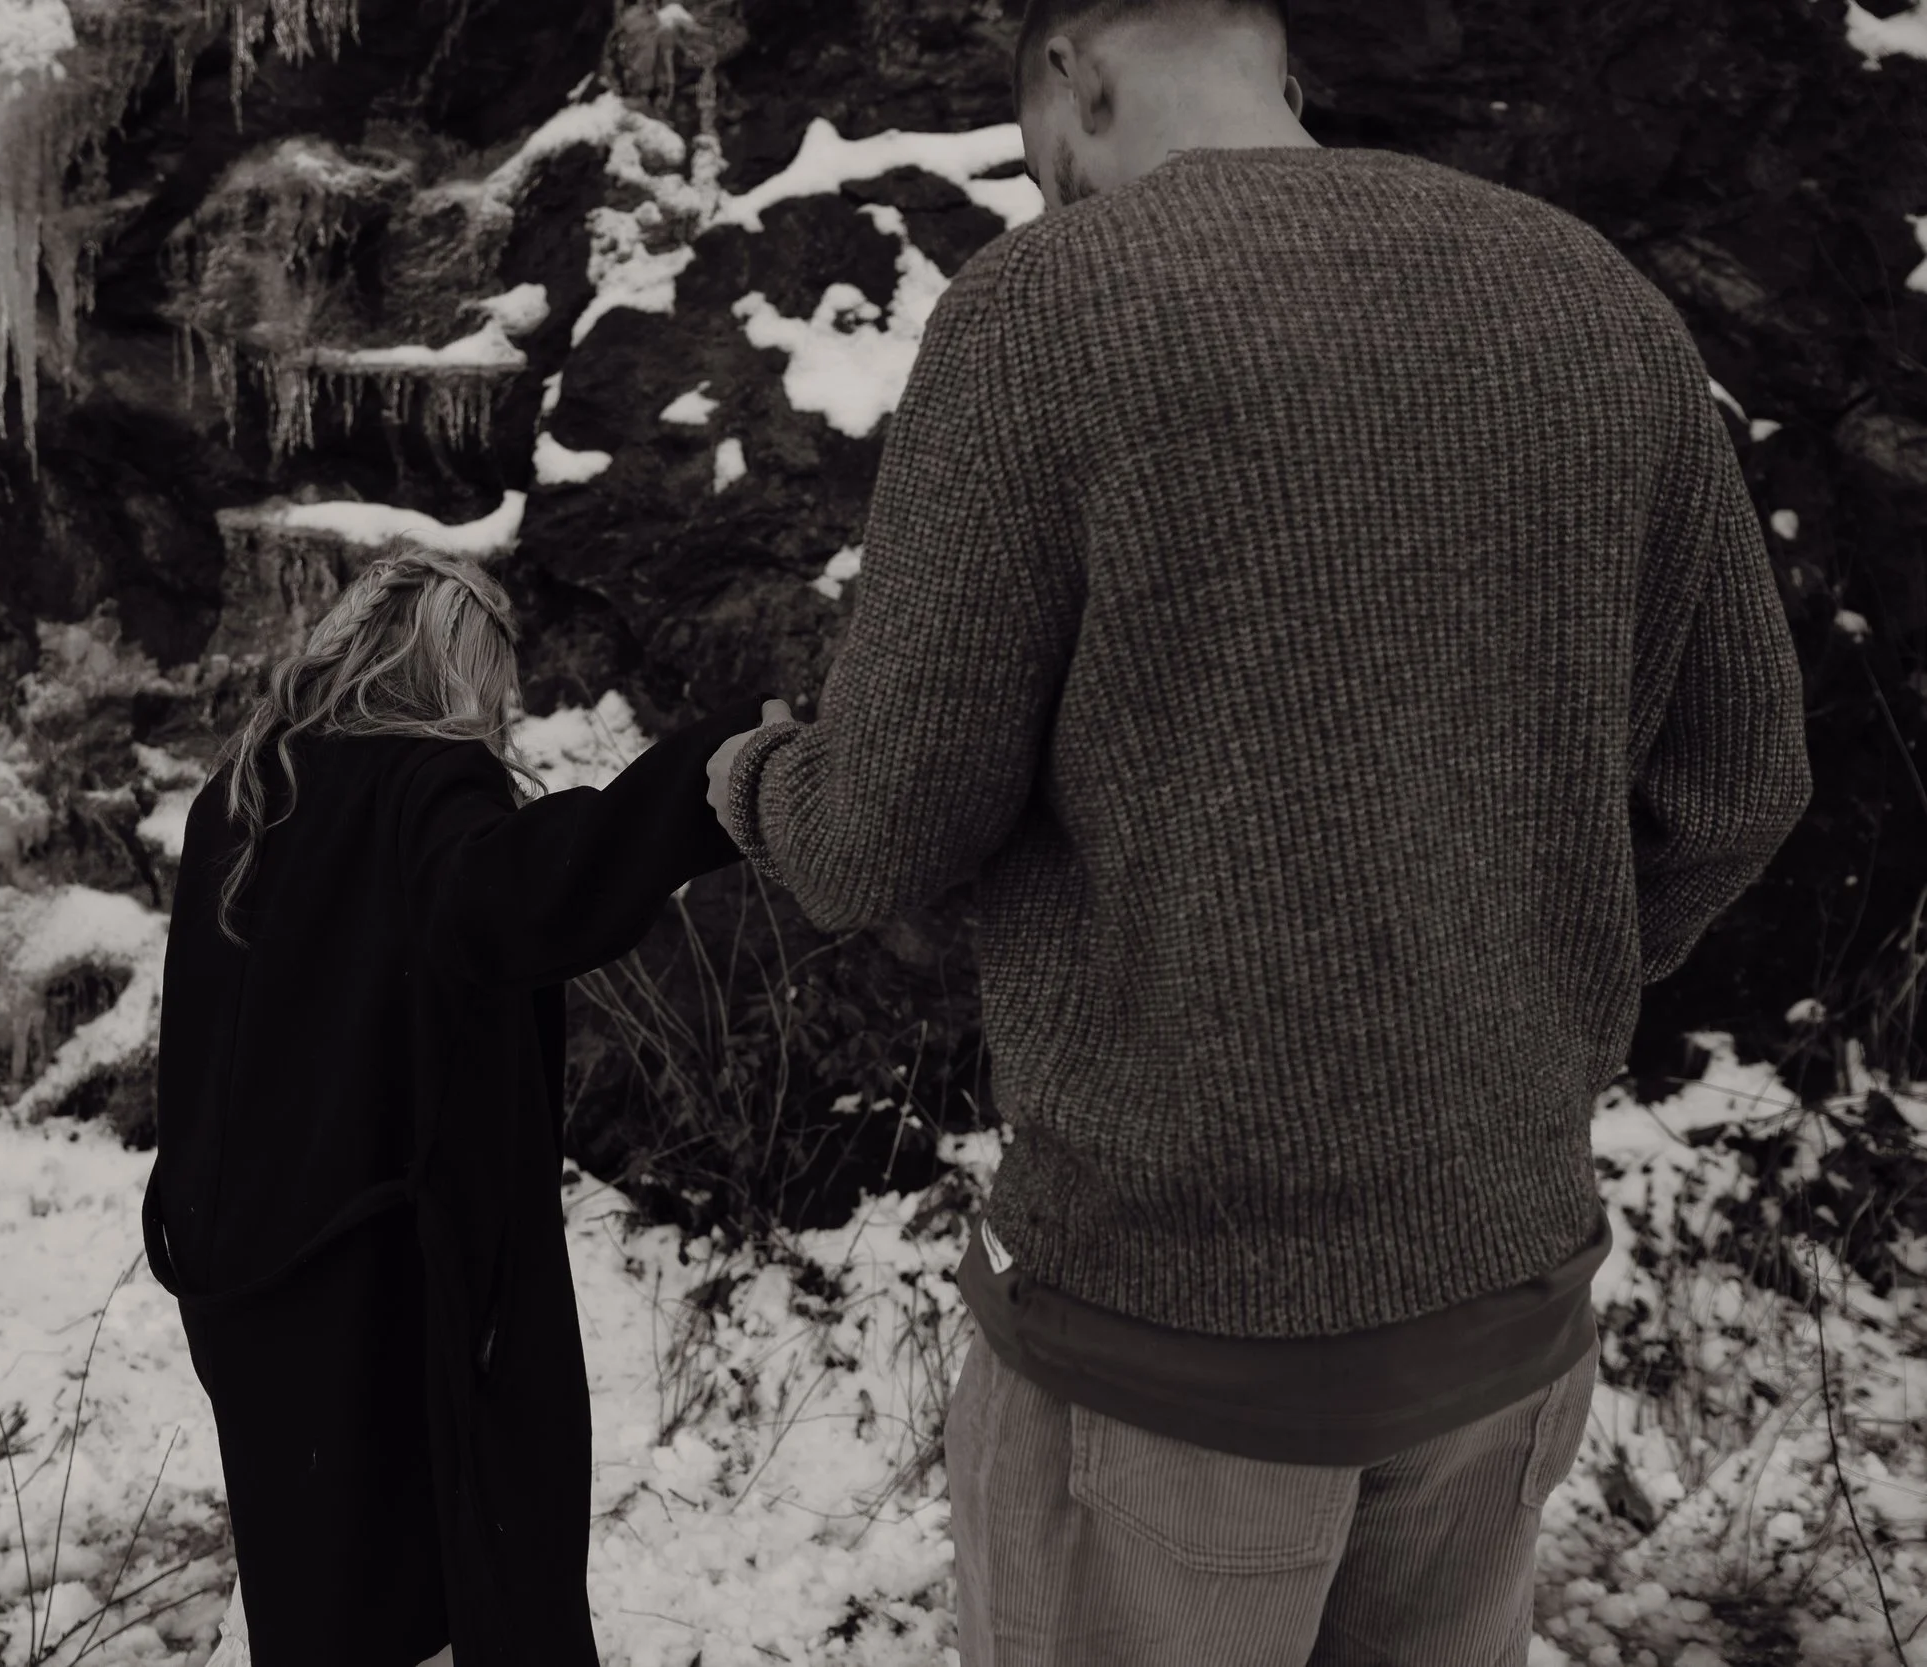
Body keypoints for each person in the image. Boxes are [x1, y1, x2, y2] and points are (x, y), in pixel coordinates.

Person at [705, 0, 1811, 1661]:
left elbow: (875, 837)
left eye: (1042, 153)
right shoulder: (1594, 294)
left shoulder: (1049, 308)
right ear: (1282, 76)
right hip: (1500, 1315)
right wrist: (1516, 960)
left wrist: (755, 787)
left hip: (1163, 1336)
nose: (1060, 189)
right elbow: (1746, 779)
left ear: (1076, 74)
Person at [143, 547, 760, 1667]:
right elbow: (520, 899)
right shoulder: (420, 786)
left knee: (319, 1595)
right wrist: (701, 776)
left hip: (248, 1280)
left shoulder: (237, 797)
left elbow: (195, 1048)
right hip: (392, 1287)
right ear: (457, 667)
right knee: (451, 1589)